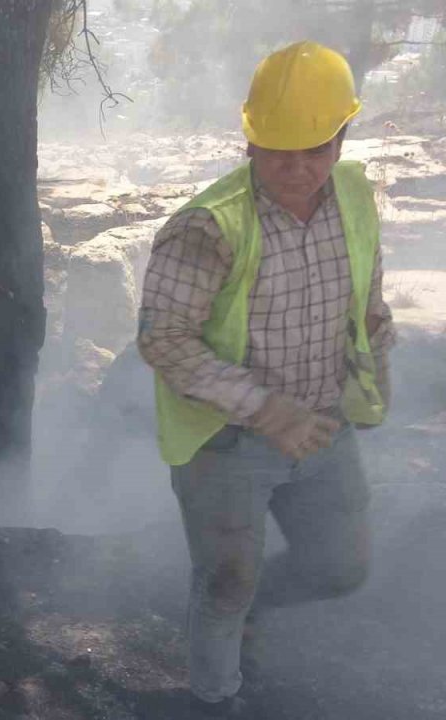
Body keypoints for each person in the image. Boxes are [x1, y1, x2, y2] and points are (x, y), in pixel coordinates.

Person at [137, 41, 393, 717]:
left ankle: (252, 610)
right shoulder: (205, 226)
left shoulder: (356, 195)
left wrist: (377, 341)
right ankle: (215, 696)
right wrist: (266, 409)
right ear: (248, 140)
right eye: (277, 149)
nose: (295, 167)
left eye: (314, 149)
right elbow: (164, 342)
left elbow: (364, 288)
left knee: (342, 568)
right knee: (225, 580)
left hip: (324, 427)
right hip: (227, 443)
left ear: (341, 140)